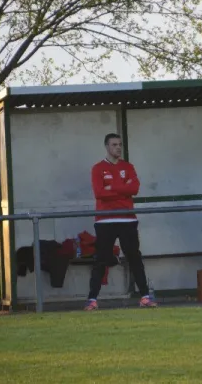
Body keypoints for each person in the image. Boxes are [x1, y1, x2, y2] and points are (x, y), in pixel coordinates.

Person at [84, 133, 157, 311]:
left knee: (134, 257)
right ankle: (92, 300)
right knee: (101, 260)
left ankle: (145, 297)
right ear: (107, 147)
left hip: (127, 218)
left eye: (120, 144)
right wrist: (123, 187)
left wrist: (113, 187)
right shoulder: (97, 168)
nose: (118, 148)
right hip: (105, 220)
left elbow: (135, 188)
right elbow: (99, 193)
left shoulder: (128, 166)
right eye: (114, 145)